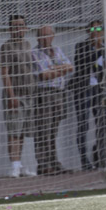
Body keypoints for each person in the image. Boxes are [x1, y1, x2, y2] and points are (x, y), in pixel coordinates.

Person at [30, 24, 73, 176]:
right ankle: (43, 164)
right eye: (42, 35)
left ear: (53, 36)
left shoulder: (58, 50)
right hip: (44, 93)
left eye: (48, 35)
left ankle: (54, 162)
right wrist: (60, 70)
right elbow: (43, 75)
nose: (45, 38)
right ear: (37, 37)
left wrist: (55, 70)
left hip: (59, 93)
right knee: (43, 129)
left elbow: (70, 67)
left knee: (54, 130)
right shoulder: (34, 52)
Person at [0, 14, 36, 178]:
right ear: (10, 29)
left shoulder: (28, 44)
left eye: (21, 25)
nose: (18, 29)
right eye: (15, 26)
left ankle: (19, 164)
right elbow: (4, 73)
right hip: (15, 94)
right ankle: (13, 166)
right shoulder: (6, 47)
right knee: (14, 130)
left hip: (29, 94)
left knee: (22, 131)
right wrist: (11, 95)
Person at [69, 20, 106, 171]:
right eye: (92, 28)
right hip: (83, 89)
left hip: (99, 89)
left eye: (99, 28)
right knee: (83, 124)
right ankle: (84, 161)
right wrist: (97, 49)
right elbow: (82, 64)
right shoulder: (81, 46)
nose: (95, 31)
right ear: (88, 31)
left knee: (102, 123)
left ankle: (101, 157)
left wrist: (101, 48)